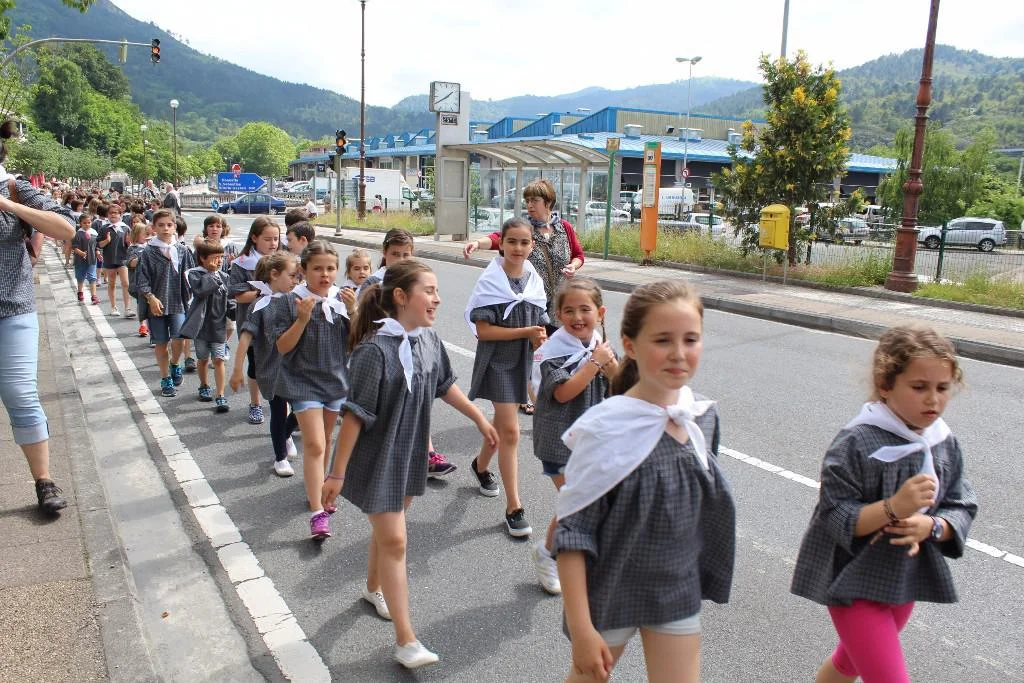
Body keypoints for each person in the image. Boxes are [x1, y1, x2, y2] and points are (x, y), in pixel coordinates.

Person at [554, 280, 735, 683]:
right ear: (630, 345)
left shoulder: (701, 417)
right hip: (610, 586)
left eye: (691, 339)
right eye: (663, 340)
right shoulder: (605, 428)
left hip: (675, 589)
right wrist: (582, 630)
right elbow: (572, 534)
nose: (679, 353)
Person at [322, 260, 498, 670]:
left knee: (390, 531)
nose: (437, 299)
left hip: (409, 452)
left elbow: (445, 385)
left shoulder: (429, 339)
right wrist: (336, 472)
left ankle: (372, 587)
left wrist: (479, 417)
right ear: (401, 297)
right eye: (429, 291)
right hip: (377, 458)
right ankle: (406, 640)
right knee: (397, 541)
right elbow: (355, 416)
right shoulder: (373, 351)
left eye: (437, 291)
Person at [791, 325, 978, 683]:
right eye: (919, 387)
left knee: (848, 665)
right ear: (885, 385)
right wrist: (894, 506)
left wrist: (932, 526)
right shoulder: (857, 441)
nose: (933, 400)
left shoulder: (943, 441)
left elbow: (961, 503)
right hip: (853, 581)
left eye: (942, 388)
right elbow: (835, 513)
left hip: (902, 579)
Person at [0, 121, 77, 514]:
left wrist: (10, 206)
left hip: (12, 307)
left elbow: (66, 228)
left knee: (20, 393)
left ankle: (44, 481)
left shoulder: (14, 187)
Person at [463, 178, 585, 414]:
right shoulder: (525, 228)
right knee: (532, 349)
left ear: (548, 202)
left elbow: (578, 254)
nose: (529, 205)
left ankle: (547, 397)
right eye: (527, 200)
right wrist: (477, 243)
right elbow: (498, 238)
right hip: (530, 299)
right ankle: (531, 397)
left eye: (534, 200)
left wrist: (574, 266)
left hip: (559, 302)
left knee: (554, 352)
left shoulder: (564, 228)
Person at [530, 279, 617, 595]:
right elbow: (564, 393)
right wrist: (595, 364)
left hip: (591, 440)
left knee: (580, 501)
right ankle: (549, 555)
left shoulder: (599, 345)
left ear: (600, 313)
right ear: (558, 315)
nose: (577, 317)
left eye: (585, 309)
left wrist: (609, 365)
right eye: (569, 311)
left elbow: (620, 385)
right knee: (577, 500)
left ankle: (559, 551)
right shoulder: (553, 352)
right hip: (558, 441)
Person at [464, 217, 549, 537]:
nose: (518, 248)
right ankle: (514, 507)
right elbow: (484, 331)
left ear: (532, 245)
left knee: (502, 428)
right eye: (511, 241)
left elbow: (540, 320)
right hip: (498, 362)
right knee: (511, 431)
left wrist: (539, 339)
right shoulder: (491, 280)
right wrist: (526, 332)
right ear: (501, 243)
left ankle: (480, 465)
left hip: (524, 363)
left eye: (524, 242)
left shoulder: (533, 279)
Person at [269, 240, 349, 540]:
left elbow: (356, 344)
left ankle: (319, 491)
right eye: (317, 268)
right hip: (302, 381)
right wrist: (302, 319)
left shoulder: (341, 300)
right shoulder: (288, 302)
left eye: (330, 268)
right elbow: (282, 346)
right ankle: (317, 514)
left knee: (326, 440)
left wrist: (354, 312)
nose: (325, 274)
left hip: (335, 379)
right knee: (314, 444)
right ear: (303, 270)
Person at [360, 229, 455, 478]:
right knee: (383, 414)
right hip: (386, 355)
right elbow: (365, 322)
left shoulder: (415, 283)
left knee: (417, 402)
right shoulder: (375, 283)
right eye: (395, 254)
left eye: (406, 254)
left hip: (411, 352)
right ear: (384, 253)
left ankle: (427, 453)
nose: (401, 259)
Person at [231, 251, 301, 476]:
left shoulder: (297, 300)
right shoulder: (260, 305)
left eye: (298, 277)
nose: (296, 281)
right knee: (278, 411)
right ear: (274, 274)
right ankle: (280, 458)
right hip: (272, 369)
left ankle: (286, 434)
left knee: (303, 409)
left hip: (297, 368)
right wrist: (237, 369)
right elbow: (246, 336)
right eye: (292, 276)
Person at [137, 209, 195, 397]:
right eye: (161, 225)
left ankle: (175, 363)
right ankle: (165, 378)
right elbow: (142, 279)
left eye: (169, 225)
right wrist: (150, 297)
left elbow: (191, 275)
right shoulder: (148, 252)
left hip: (178, 302)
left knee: (179, 338)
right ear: (154, 227)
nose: (165, 228)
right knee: (161, 343)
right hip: (157, 305)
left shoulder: (182, 250)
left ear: (175, 227)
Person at [230, 217, 281, 425]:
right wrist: (266, 293)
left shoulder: (283, 260)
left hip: (280, 323)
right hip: (253, 321)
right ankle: (255, 403)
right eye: (267, 239)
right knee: (255, 366)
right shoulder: (242, 263)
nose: (273, 243)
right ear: (254, 238)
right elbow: (238, 295)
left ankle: (285, 407)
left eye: (276, 239)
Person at [181, 241, 233, 413]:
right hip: (201, 326)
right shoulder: (194, 274)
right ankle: (204, 385)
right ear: (202, 258)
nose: (219, 261)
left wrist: (236, 313)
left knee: (218, 360)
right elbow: (201, 291)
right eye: (214, 257)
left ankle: (220, 394)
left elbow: (230, 300)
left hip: (219, 326)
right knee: (203, 359)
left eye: (221, 257)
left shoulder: (224, 277)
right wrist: (211, 274)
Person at [97, 203, 133, 317]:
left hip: (123, 259)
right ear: (107, 214)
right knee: (111, 283)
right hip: (109, 259)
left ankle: (128, 308)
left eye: (116, 213)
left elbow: (130, 245)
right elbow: (99, 244)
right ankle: (113, 307)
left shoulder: (125, 228)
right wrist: (107, 241)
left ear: (120, 214)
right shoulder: (104, 228)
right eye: (111, 213)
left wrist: (128, 242)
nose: (113, 215)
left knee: (125, 283)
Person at [125, 223, 151, 339]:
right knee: (143, 306)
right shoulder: (133, 248)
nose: (147, 237)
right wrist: (144, 256)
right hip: (138, 284)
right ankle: (143, 325)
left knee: (148, 306)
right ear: (136, 235)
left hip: (149, 283)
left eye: (148, 234)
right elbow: (131, 263)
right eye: (144, 234)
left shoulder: (149, 247)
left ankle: (147, 326)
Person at [71, 212, 100, 305]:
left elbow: (96, 246)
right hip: (80, 260)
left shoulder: (94, 233)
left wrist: (98, 253)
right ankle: (80, 292)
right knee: (80, 277)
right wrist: (82, 253)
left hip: (92, 259)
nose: (87, 224)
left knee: (92, 277)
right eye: (84, 223)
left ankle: (94, 296)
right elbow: (74, 247)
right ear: (80, 223)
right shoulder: (78, 234)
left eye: (89, 222)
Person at [339, 247, 372, 316]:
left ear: (370, 270)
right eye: (357, 269)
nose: (362, 272)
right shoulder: (345, 291)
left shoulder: (373, 288)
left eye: (365, 268)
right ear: (349, 272)